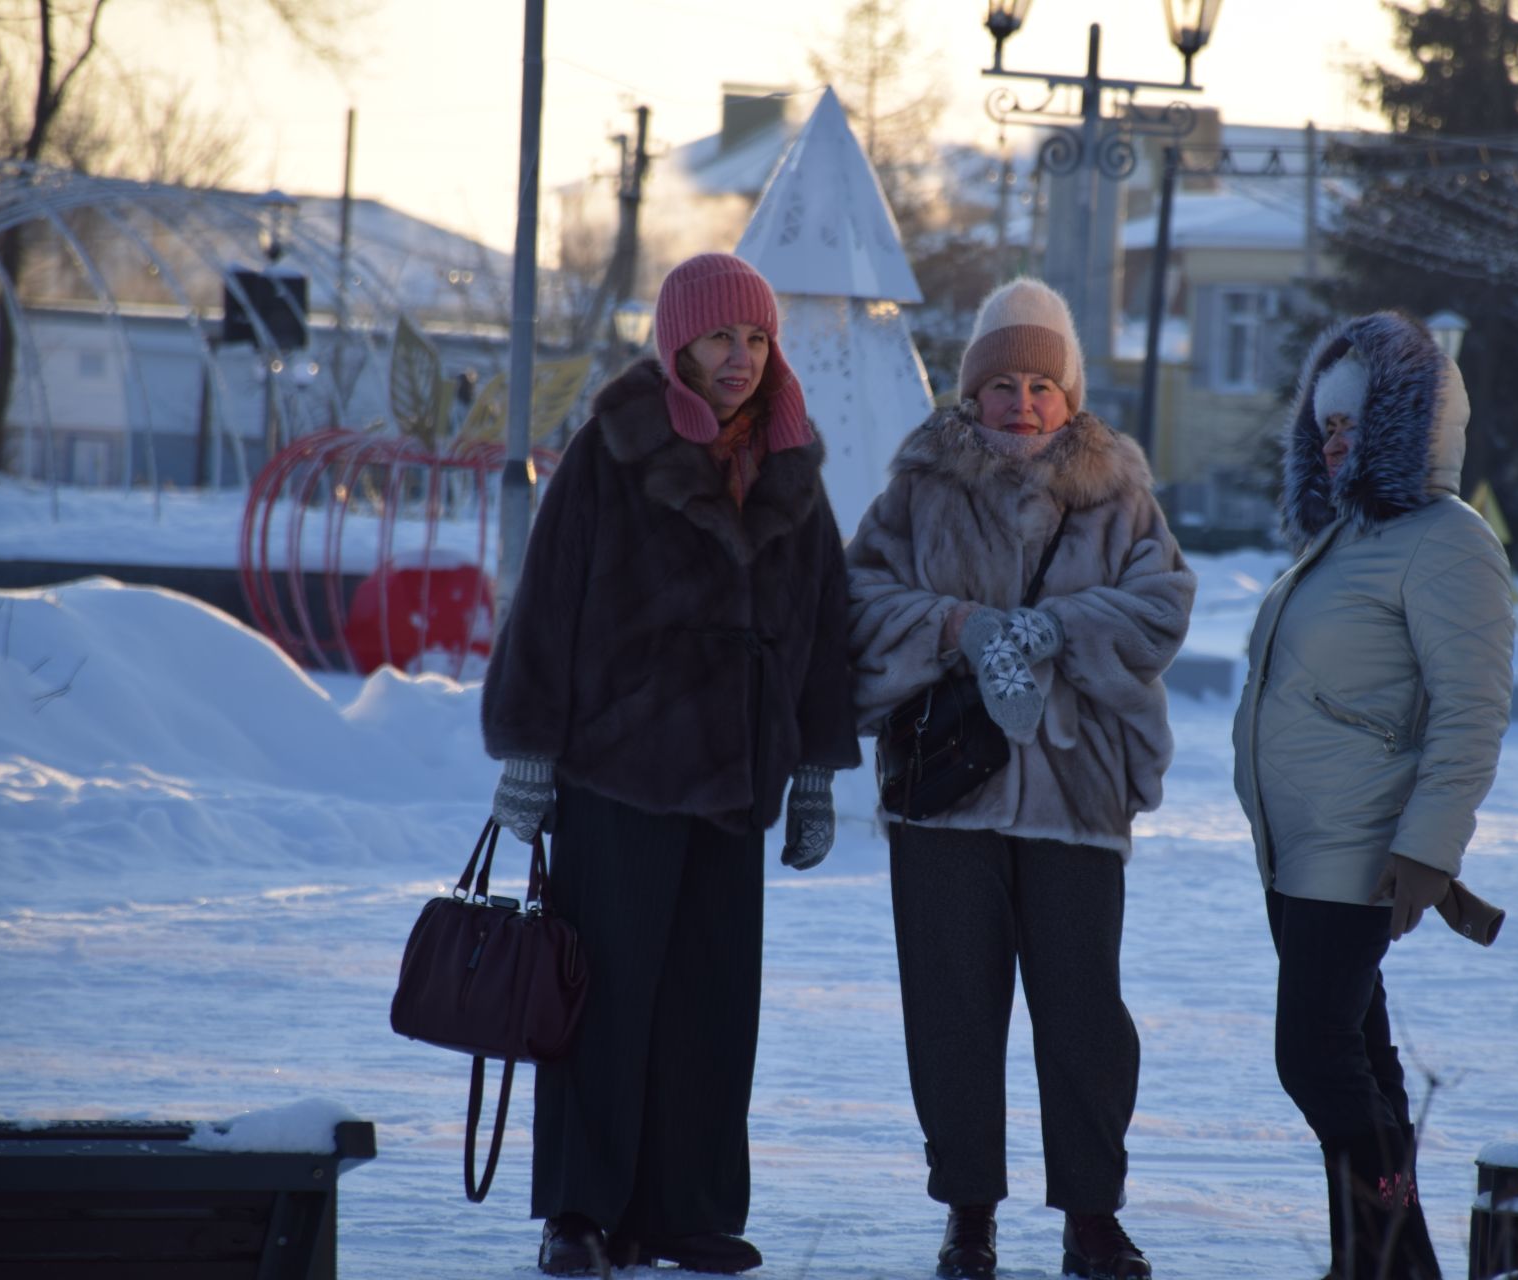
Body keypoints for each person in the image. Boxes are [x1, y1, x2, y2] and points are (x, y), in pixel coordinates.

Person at [479, 252, 860, 1277]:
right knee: (604, 996)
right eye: (720, 338)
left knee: (711, 1002)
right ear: (677, 342)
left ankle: (686, 1209)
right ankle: (581, 1211)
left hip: (738, 782)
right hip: (620, 772)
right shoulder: (613, 449)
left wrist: (817, 766)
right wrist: (528, 748)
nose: (740, 358)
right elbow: (546, 605)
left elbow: (827, 624)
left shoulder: (791, 458)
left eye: (756, 339)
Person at [847, 278, 1196, 1280]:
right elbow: (857, 594)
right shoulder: (918, 488)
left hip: (1077, 790)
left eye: (1045, 383)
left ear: (1071, 395)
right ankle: (969, 1211)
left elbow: (1163, 603)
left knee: (1084, 1009)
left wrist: (1057, 628)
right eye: (1004, 383)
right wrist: (952, 627)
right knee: (952, 1005)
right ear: (973, 394)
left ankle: (1092, 1212)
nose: (1024, 402)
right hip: (946, 790)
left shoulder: (1119, 493)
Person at [1230, 311, 1515, 1280]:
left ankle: (1386, 1252)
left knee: (1313, 1058)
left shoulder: (1446, 540)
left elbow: (1472, 712)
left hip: (1360, 846)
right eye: (1328, 423)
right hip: (1300, 844)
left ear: (1412, 422)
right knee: (1360, 1059)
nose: (1336, 438)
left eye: (1358, 421)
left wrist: (1429, 850)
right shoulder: (1350, 535)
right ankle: (1387, 1263)